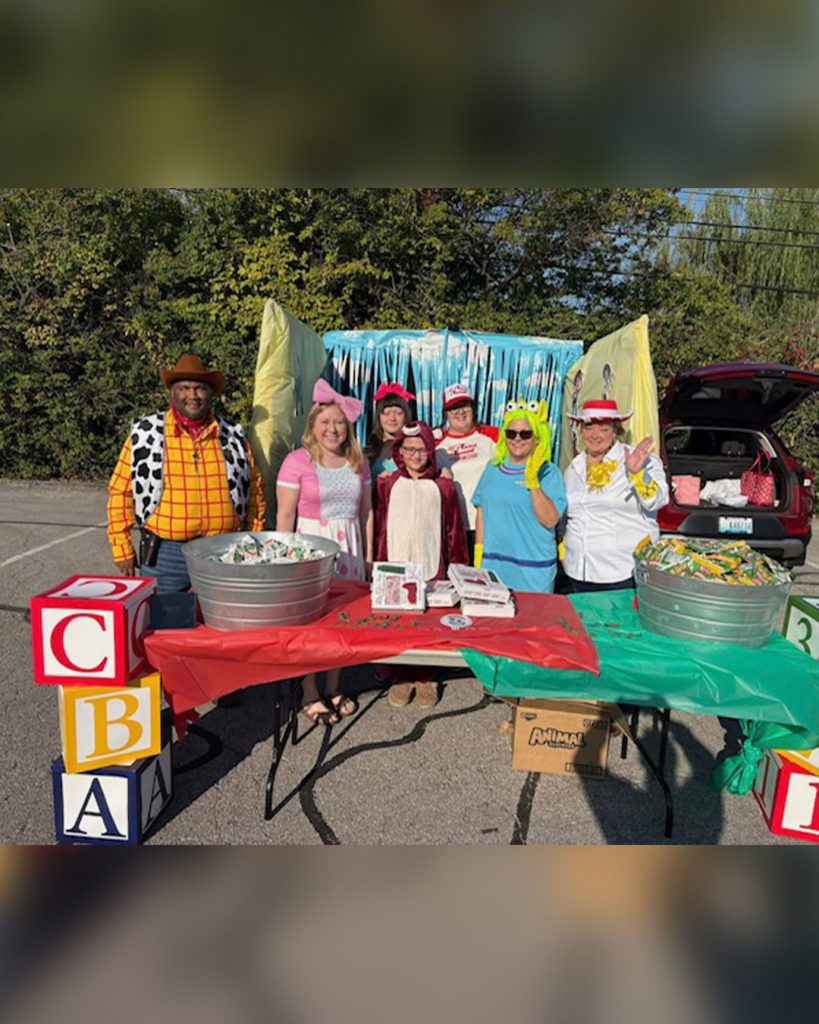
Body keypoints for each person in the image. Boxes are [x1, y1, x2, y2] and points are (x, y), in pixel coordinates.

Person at [107, 353, 266, 593]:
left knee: (224, 624)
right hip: (166, 555)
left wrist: (253, 539)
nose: (192, 395)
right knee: (168, 625)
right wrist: (121, 547)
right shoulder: (146, 434)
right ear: (171, 392)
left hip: (223, 551)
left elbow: (254, 491)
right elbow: (120, 493)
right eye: (184, 388)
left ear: (210, 393)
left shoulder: (232, 436)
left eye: (199, 388)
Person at [276, 379, 374, 725]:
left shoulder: (358, 462)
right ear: (312, 427)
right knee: (313, 623)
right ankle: (310, 691)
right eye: (325, 423)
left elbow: (366, 513)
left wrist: (368, 556)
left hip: (348, 548)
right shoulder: (296, 461)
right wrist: (283, 558)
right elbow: (285, 515)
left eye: (339, 423)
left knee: (342, 622)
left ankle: (334, 686)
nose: (333, 430)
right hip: (310, 548)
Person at [375, 421, 468, 708]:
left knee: (428, 624)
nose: (415, 455)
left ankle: (427, 676)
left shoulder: (443, 487)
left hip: (431, 564)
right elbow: (380, 526)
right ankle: (401, 675)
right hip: (397, 563)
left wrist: (458, 570)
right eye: (409, 449)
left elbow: (454, 530)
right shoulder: (388, 484)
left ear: (431, 451)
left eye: (422, 449)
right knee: (400, 624)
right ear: (399, 451)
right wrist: (377, 566)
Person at [562, 398, 669, 592]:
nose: (594, 435)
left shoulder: (638, 459)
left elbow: (658, 501)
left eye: (603, 428)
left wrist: (638, 474)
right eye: (588, 427)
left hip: (621, 573)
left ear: (615, 431)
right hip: (577, 571)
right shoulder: (574, 467)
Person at [472, 399, 567, 594]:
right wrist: (478, 556)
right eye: (511, 432)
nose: (517, 438)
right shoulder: (492, 468)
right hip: (494, 569)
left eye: (525, 433)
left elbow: (550, 520)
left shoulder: (549, 473)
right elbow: (481, 510)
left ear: (537, 438)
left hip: (533, 570)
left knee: (534, 624)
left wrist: (533, 482)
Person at [434, 383, 498, 558]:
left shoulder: (492, 437)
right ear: (446, 413)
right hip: (453, 528)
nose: (460, 412)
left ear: (473, 408)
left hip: (487, 525)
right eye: (453, 407)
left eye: (464, 405)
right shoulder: (436, 445)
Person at [365, 382, 415, 479]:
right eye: (386, 413)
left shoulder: (414, 448)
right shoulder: (369, 451)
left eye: (398, 413)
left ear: (405, 416)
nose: (392, 418)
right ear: (379, 417)